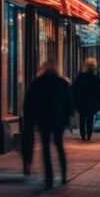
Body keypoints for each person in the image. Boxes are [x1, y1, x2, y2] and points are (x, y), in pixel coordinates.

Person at [24, 61, 73, 189]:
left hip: (43, 119)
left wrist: (31, 119)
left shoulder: (37, 83)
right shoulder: (62, 83)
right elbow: (69, 102)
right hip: (59, 119)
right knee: (59, 145)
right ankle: (63, 175)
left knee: (45, 148)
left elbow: (29, 102)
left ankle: (49, 177)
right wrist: (68, 118)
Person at [71, 58, 100, 142]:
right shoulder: (96, 78)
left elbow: (73, 89)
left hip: (81, 102)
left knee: (82, 118)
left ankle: (83, 134)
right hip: (92, 102)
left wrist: (74, 101)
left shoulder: (80, 77)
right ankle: (89, 135)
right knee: (90, 118)